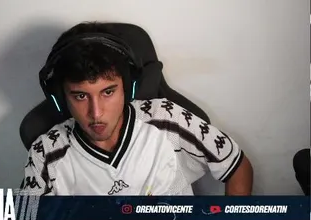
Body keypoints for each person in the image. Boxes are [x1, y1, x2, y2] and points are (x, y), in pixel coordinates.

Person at [20, 22, 253, 197]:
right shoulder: (45, 153)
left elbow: (237, 165)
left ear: (128, 88)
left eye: (108, 92)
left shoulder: (168, 119)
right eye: (81, 96)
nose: (96, 113)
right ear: (60, 98)